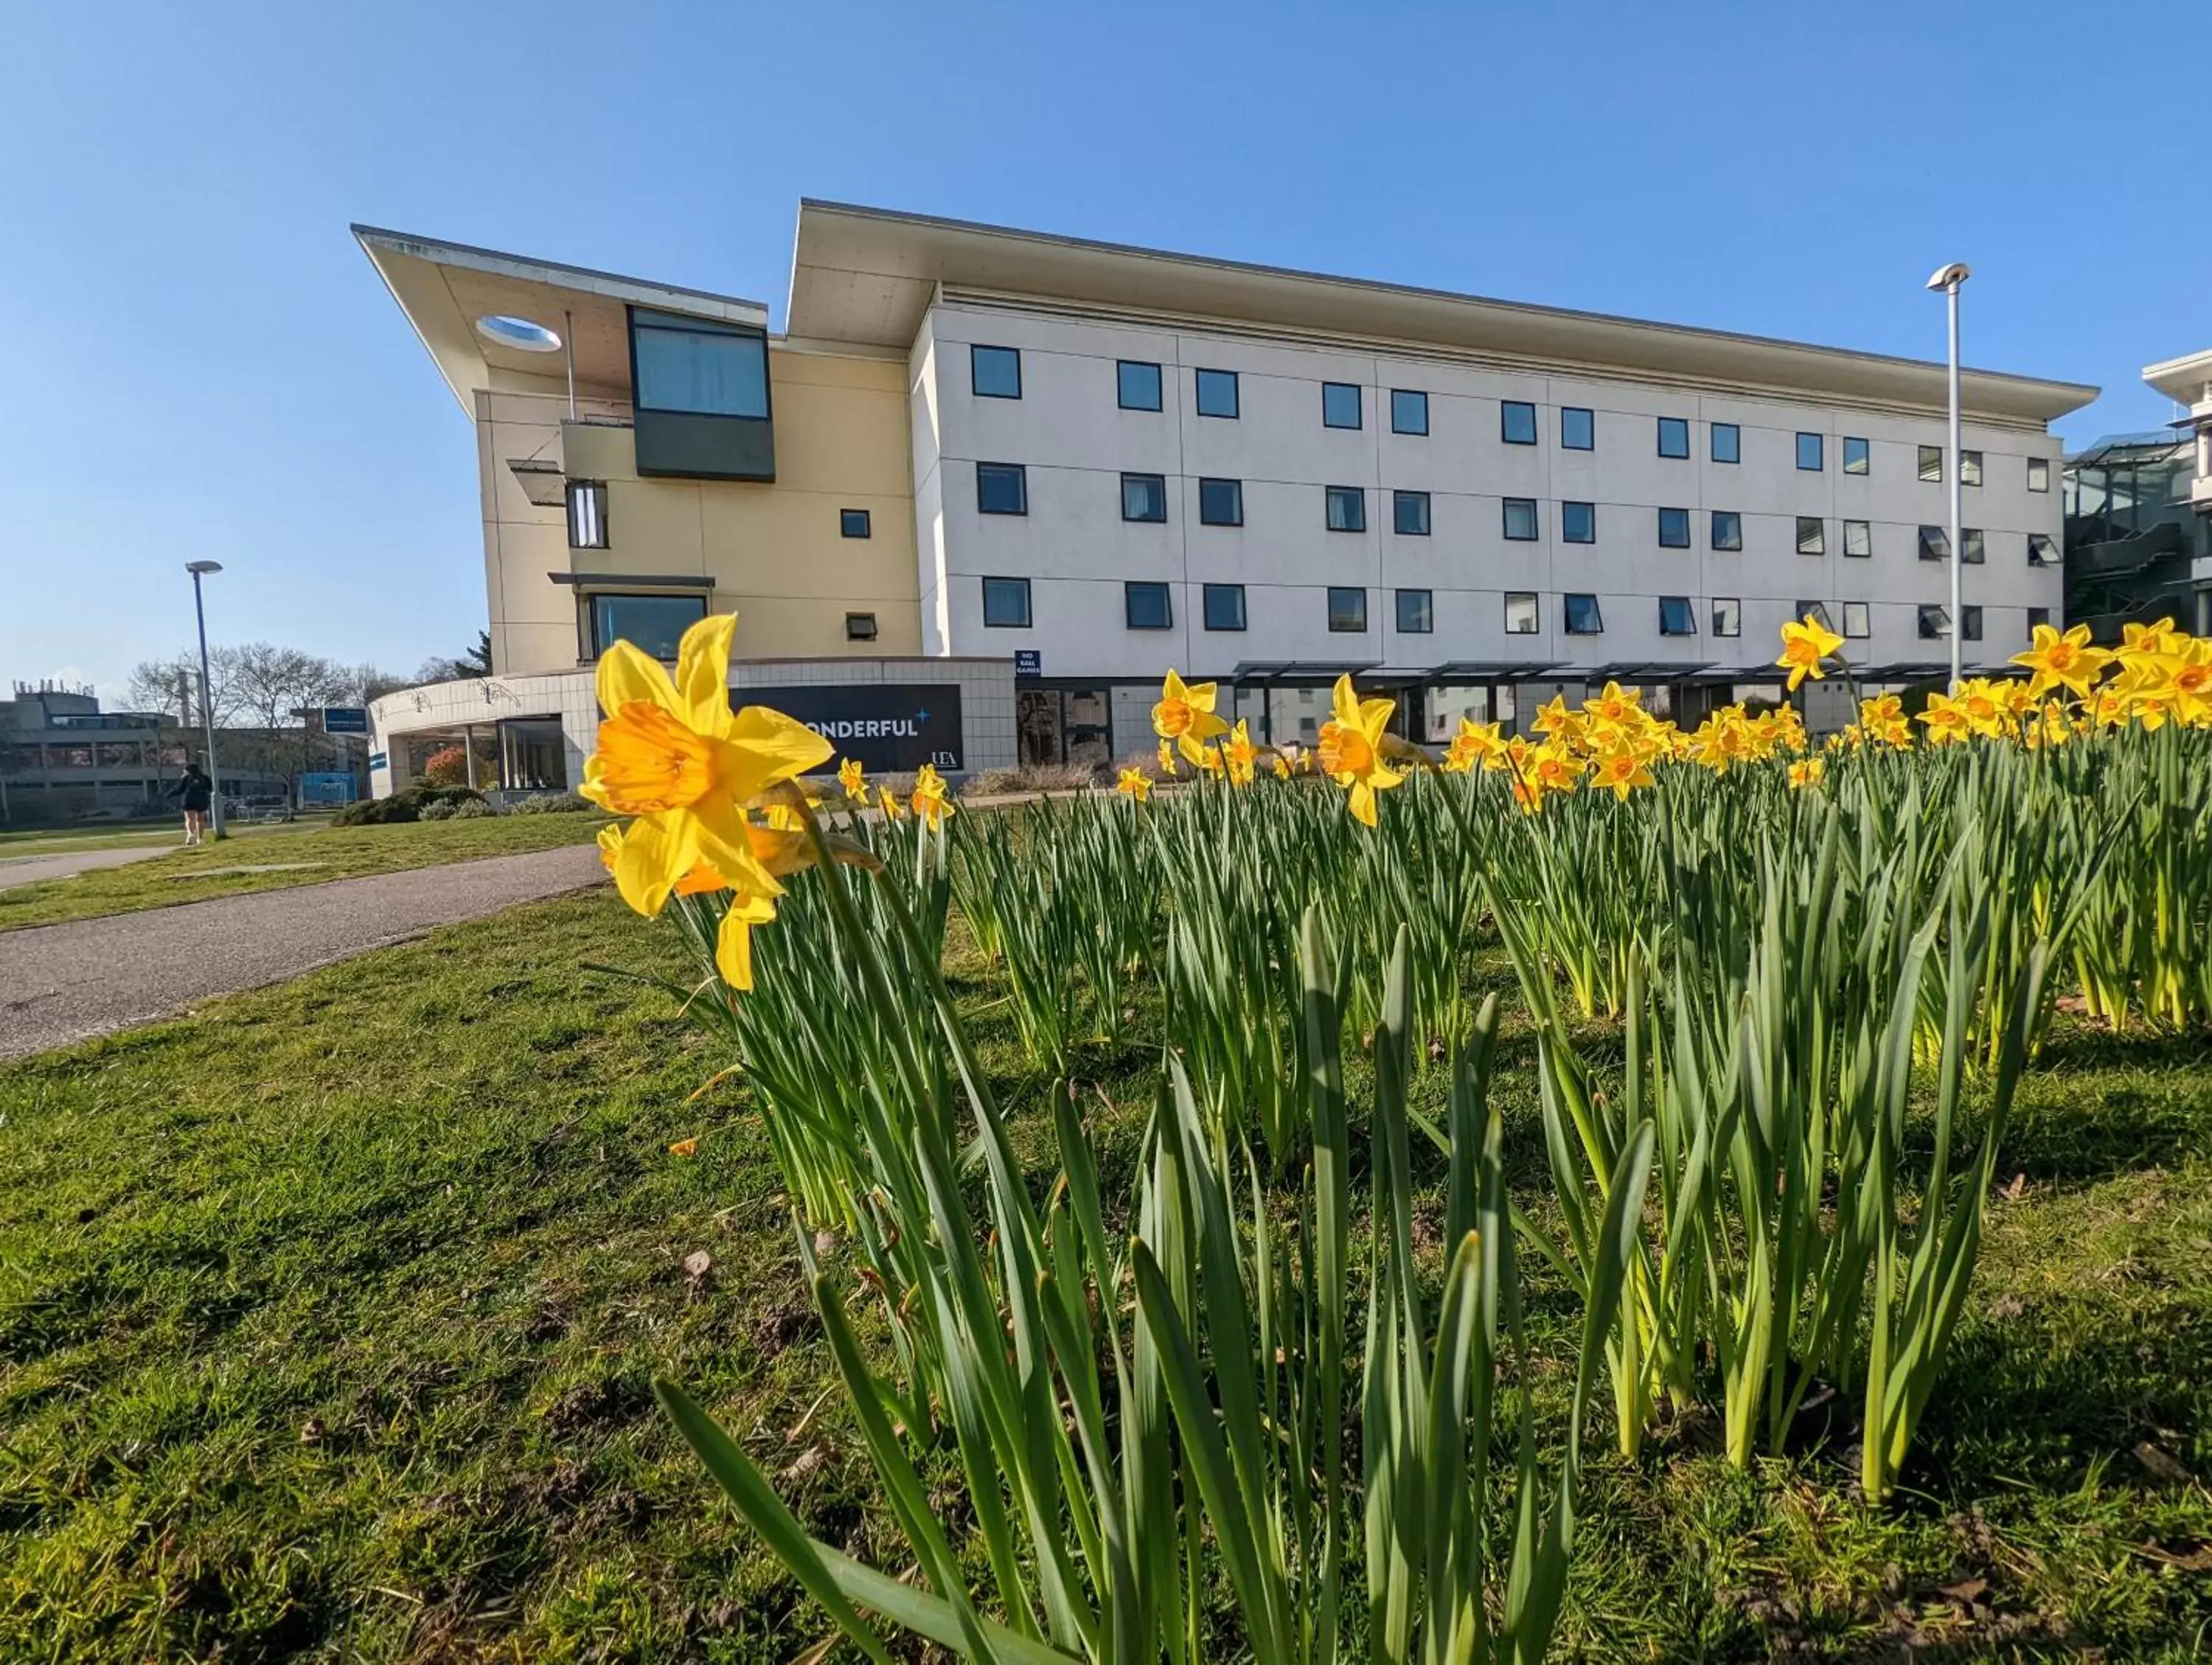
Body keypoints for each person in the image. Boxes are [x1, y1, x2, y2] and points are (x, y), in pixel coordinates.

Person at [167, 762, 214, 846]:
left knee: (190, 819)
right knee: (200, 820)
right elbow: (210, 788)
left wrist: (169, 794)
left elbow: (179, 789)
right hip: (202, 800)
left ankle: (191, 835)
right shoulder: (205, 778)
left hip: (189, 800)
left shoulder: (186, 778)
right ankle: (200, 839)